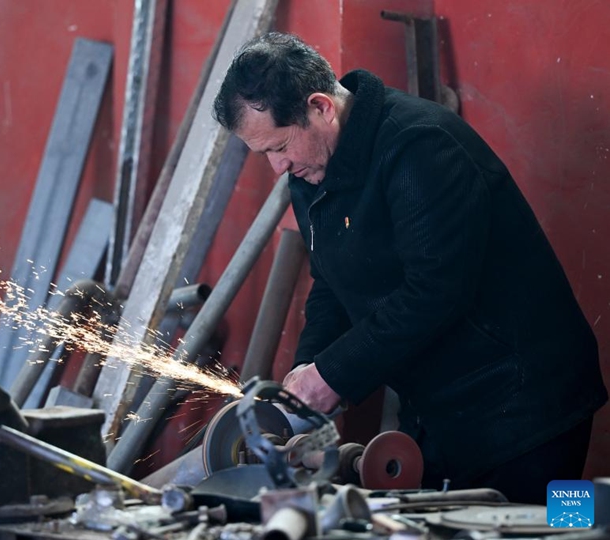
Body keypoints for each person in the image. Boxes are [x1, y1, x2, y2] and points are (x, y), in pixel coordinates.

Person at [212, 32, 607, 504]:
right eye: (265, 155)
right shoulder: (312, 165)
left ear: (321, 107)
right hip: (436, 410)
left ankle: (587, 520)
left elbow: (435, 291)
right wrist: (308, 374)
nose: (277, 167)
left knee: (543, 528)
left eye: (278, 147)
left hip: (523, 407)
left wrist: (333, 375)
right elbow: (332, 281)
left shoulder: (420, 146)